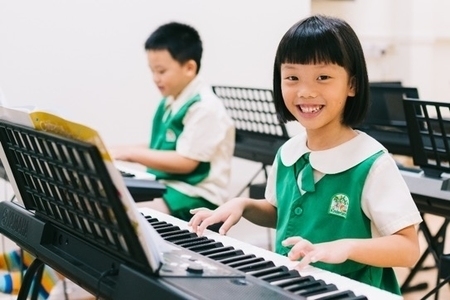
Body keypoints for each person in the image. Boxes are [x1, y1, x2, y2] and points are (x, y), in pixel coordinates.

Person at [188, 15, 422, 295]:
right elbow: (281, 213)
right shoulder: (288, 152)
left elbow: (408, 248)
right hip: (295, 286)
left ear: (352, 85)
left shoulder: (371, 162)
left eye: (323, 77)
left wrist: (344, 247)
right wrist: (243, 206)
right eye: (292, 77)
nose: (306, 91)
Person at [110, 22, 235, 222]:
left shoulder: (205, 107)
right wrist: (112, 151)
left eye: (161, 71)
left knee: (123, 215)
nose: (155, 78)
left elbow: (186, 162)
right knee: (108, 197)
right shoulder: (171, 100)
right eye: (152, 71)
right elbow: (158, 146)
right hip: (167, 185)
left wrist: (130, 153)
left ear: (189, 68)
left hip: (195, 196)